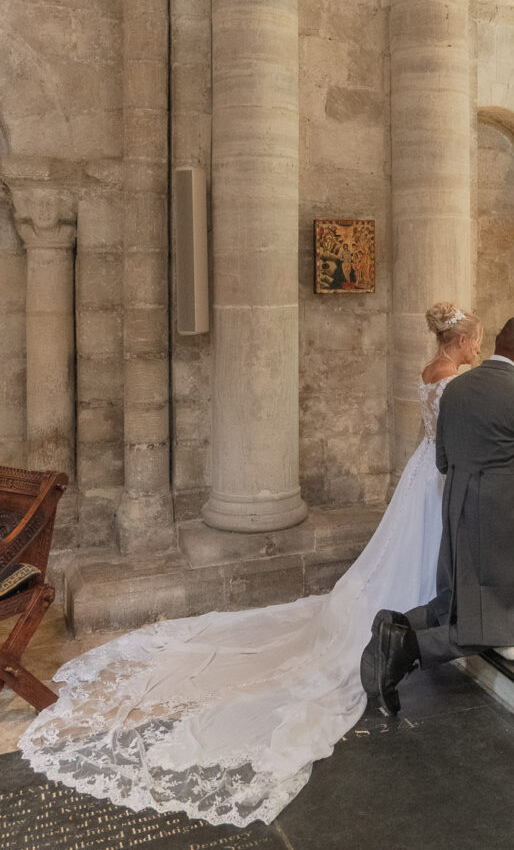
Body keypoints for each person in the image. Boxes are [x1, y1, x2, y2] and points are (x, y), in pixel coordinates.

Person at [19, 302, 483, 828]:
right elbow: (450, 433)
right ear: (460, 341)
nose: (476, 349)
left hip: (419, 468)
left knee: (408, 541)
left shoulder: (430, 371)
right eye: (474, 340)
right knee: (425, 543)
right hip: (439, 467)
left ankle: (418, 607)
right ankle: (419, 614)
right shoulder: (454, 379)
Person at [360, 317, 514, 715]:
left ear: (496, 344)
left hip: (456, 505)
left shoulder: (457, 387)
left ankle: (395, 622)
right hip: (500, 517)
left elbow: (443, 460)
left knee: (454, 598)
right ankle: (409, 648)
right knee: (510, 622)